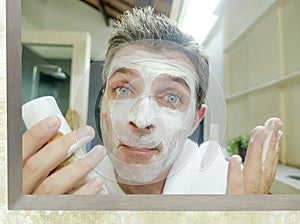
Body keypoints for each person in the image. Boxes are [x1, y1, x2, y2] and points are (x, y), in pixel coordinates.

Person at [22, 7, 283, 195]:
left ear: (195, 120)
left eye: (171, 97)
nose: (141, 120)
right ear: (102, 107)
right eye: (123, 90)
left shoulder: (223, 186)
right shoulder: (66, 185)